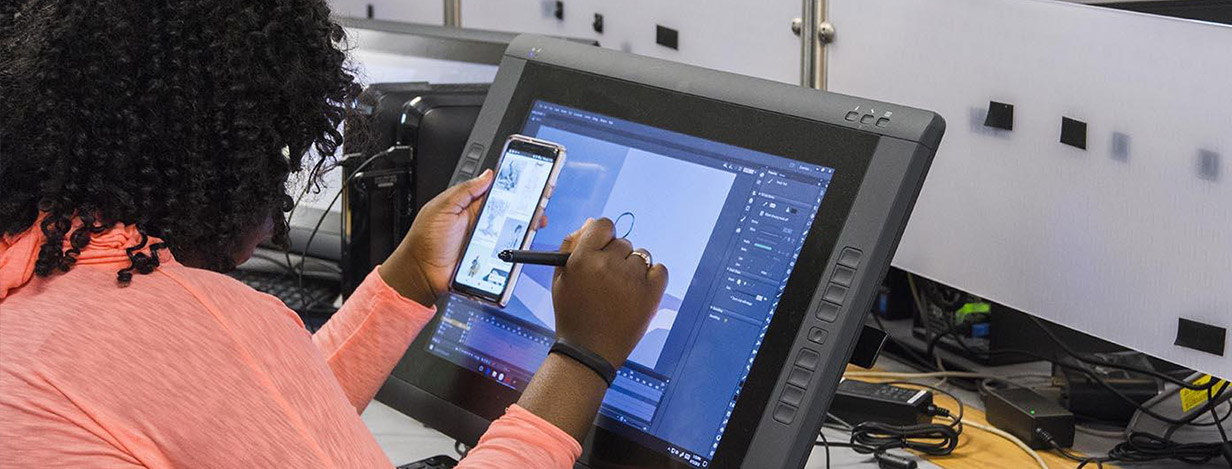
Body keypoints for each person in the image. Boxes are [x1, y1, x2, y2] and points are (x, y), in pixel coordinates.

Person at [0, 2, 668, 468]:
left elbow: (266, 413)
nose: (281, 201)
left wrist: (408, 277)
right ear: (217, 158)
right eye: (279, 154)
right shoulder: (184, 323)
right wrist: (585, 356)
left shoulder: (30, 264)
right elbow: (231, 384)